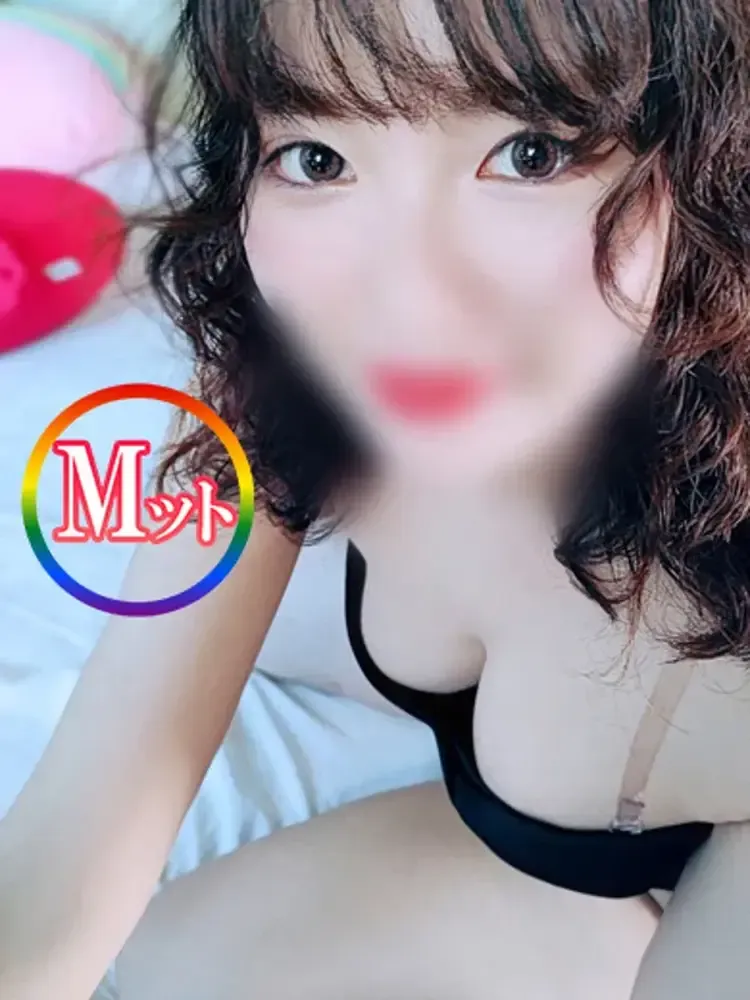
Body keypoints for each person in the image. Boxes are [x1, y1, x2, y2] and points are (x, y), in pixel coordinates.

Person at [2, 0, 750, 996]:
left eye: (531, 155)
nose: (405, 295)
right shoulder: (288, 373)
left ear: (704, 156)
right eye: (317, 159)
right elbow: (85, 817)